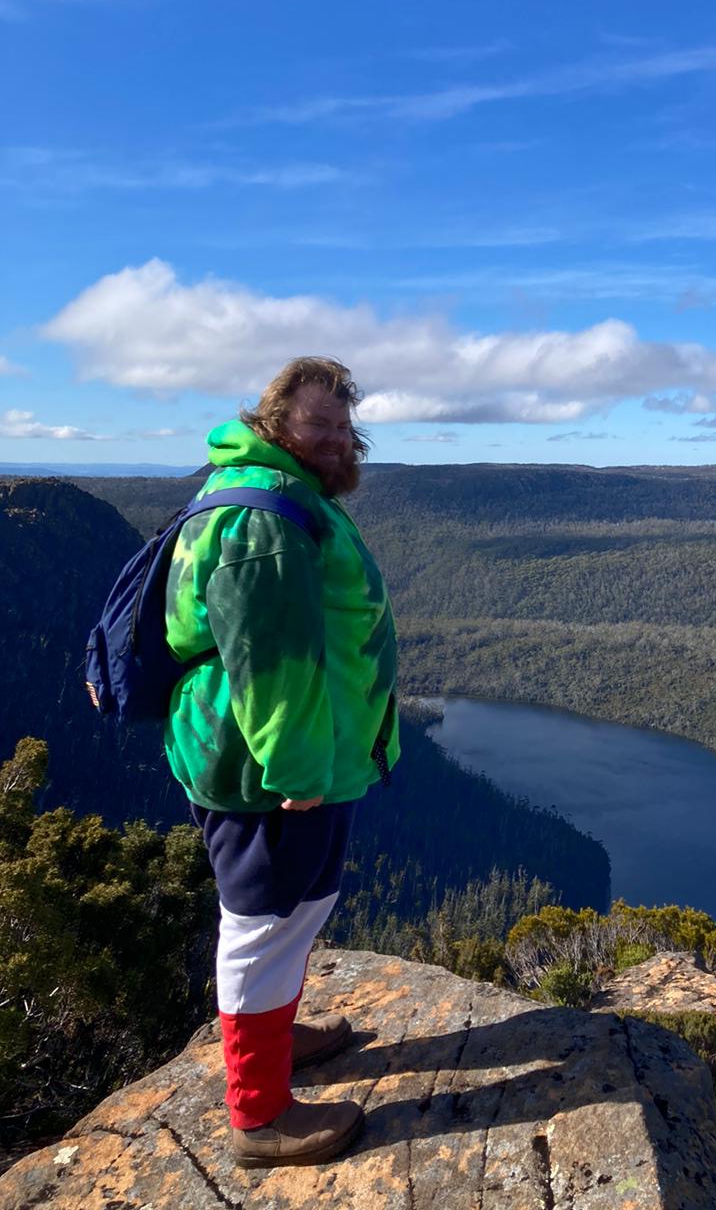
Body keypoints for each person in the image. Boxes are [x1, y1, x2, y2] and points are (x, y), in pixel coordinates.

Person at [163, 357, 399, 1169]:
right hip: (273, 769)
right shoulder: (264, 515)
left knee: (298, 908)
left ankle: (277, 1035)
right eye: (316, 424)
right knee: (262, 923)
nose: (336, 440)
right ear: (274, 423)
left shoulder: (285, 494)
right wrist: (295, 771)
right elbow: (269, 657)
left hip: (310, 758)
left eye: (343, 427)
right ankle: (258, 1116)